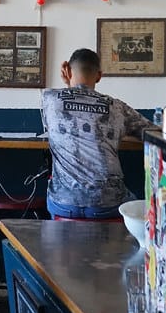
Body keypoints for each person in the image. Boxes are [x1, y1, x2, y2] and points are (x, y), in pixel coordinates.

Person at [41, 48, 151, 219]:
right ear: (99, 76)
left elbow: (69, 102)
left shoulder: (49, 98)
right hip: (107, 204)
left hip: (64, 203)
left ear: (68, 71)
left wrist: (68, 84)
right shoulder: (117, 107)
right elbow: (150, 132)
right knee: (135, 206)